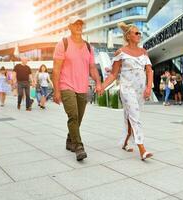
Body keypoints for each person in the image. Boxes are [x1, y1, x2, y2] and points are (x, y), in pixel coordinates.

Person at [101, 22, 153, 161]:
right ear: (128, 36)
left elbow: (149, 70)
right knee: (135, 117)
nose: (139, 35)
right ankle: (142, 148)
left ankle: (125, 141)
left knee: (130, 117)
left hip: (140, 90)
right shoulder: (121, 53)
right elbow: (113, 74)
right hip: (127, 88)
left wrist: (148, 87)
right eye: (136, 33)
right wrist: (102, 86)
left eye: (139, 33)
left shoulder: (143, 52)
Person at [52, 15, 102, 161]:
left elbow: (92, 67)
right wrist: (56, 91)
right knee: (73, 115)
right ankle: (79, 147)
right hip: (66, 85)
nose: (78, 26)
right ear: (69, 27)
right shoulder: (63, 43)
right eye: (75, 24)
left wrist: (98, 82)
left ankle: (70, 140)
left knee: (78, 118)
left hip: (82, 87)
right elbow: (56, 70)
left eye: (80, 24)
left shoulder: (88, 47)